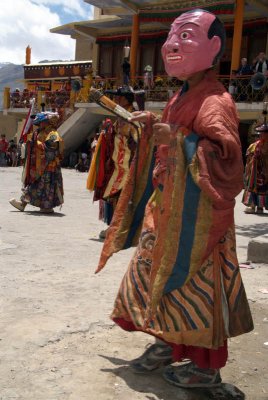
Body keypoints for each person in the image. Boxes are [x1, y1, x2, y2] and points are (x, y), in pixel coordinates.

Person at [96, 9, 254, 389]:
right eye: (171, 36)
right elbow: (174, 132)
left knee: (197, 290)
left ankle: (205, 367)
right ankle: (165, 343)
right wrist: (155, 127)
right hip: (166, 211)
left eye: (185, 35)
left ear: (214, 46)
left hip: (198, 224)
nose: (171, 45)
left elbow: (228, 158)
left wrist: (180, 141)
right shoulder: (180, 94)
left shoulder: (215, 100)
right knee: (151, 276)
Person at [9, 111, 64, 213]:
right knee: (33, 184)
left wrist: (36, 144)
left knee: (45, 185)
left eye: (42, 122)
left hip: (48, 166)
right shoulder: (39, 132)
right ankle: (23, 204)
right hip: (38, 165)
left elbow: (52, 149)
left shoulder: (53, 133)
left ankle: (46, 206)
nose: (40, 124)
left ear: (48, 122)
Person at [242, 110, 268, 214]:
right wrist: (252, 158)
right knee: (252, 187)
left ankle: (260, 207)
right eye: (260, 133)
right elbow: (248, 156)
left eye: (263, 133)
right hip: (253, 171)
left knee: (263, 188)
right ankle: (252, 206)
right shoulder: (254, 145)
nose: (260, 135)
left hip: (264, 172)